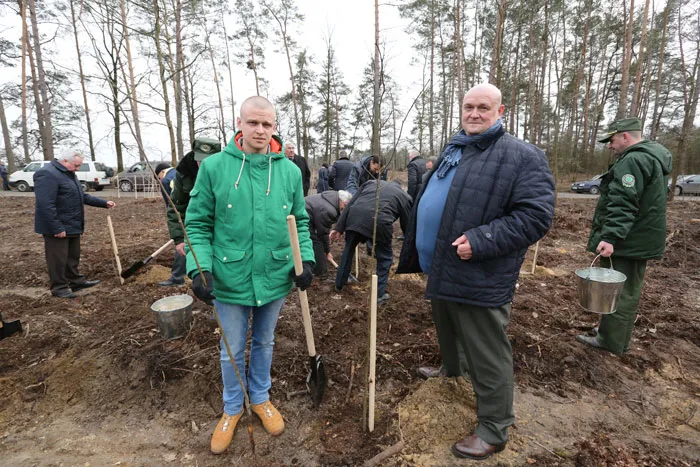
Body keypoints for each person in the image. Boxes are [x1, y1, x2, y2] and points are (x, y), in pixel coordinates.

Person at [397, 83, 555, 460]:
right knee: (447, 325)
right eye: (469, 106)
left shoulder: (521, 156)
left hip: (480, 271)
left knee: (487, 350)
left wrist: (482, 239)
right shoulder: (457, 149)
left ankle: (494, 427)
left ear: (501, 112)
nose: (474, 113)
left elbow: (536, 216)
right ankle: (452, 373)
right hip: (443, 266)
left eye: (484, 107)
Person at [185, 96, 314, 455]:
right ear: (239, 123)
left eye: (267, 124)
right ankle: (231, 408)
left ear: (275, 127)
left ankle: (260, 398)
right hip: (228, 277)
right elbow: (196, 223)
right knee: (231, 349)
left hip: (274, 275)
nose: (260, 130)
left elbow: (300, 222)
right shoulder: (214, 168)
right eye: (253, 123)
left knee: (265, 341)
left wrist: (306, 259)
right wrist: (200, 268)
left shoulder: (288, 171)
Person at [576, 118, 672, 355]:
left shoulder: (633, 160)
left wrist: (610, 238)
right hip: (639, 237)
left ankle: (611, 342)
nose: (610, 145)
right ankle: (609, 332)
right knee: (624, 289)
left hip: (629, 240)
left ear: (625, 137)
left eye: (611, 139)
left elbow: (623, 204)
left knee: (620, 291)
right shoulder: (652, 157)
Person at [34, 151, 116, 298]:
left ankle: (76, 282)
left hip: (72, 224)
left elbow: (81, 196)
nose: (78, 168)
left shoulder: (69, 174)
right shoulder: (47, 174)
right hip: (57, 226)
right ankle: (59, 288)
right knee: (57, 259)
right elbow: (46, 204)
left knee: (72, 256)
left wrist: (104, 203)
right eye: (76, 165)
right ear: (65, 161)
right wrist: (56, 227)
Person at [331, 179, 412, 305]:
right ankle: (379, 295)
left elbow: (351, 202)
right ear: (401, 188)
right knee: (385, 259)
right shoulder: (404, 196)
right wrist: (410, 244)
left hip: (354, 217)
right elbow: (407, 224)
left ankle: (339, 284)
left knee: (348, 250)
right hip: (379, 222)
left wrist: (338, 228)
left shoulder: (371, 183)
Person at [160, 137, 221, 287]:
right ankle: (178, 277)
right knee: (187, 248)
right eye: (200, 160)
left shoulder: (228, 172)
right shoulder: (184, 174)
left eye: (209, 160)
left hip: (221, 223)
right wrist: (179, 239)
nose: (203, 164)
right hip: (194, 223)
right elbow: (176, 207)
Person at [305, 189, 352, 279]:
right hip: (301, 216)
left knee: (316, 240)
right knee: (317, 242)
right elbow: (322, 233)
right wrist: (327, 251)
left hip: (309, 214)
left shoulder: (332, 198)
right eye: (345, 206)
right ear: (341, 201)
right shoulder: (329, 210)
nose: (345, 209)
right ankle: (321, 273)